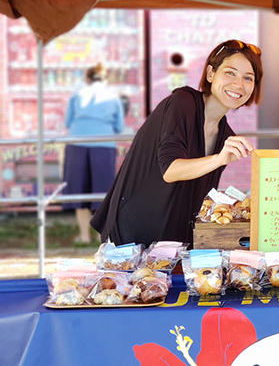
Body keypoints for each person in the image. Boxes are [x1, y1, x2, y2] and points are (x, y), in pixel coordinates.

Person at [91, 40, 262, 247]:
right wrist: (218, 159)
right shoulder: (183, 103)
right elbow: (171, 170)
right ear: (210, 74)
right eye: (230, 73)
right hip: (133, 237)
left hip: (175, 244)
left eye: (248, 78)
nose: (239, 85)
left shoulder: (226, 135)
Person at [63, 63, 125, 244]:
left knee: (78, 191)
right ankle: (102, 236)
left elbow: (68, 121)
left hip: (77, 143)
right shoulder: (113, 98)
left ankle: (84, 236)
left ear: (87, 78)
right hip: (104, 145)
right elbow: (119, 127)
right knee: (103, 193)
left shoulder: (77, 95)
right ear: (104, 79)